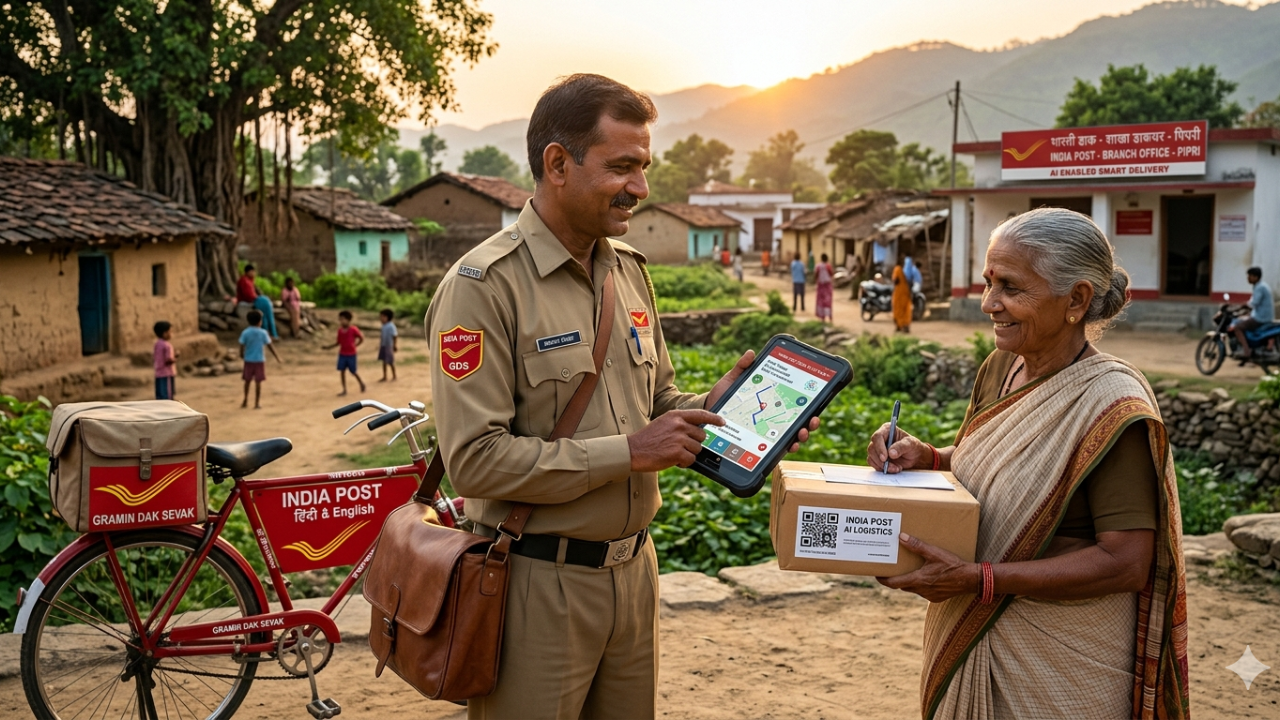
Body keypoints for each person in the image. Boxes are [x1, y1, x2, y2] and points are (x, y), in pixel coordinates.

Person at [424, 73, 819, 720]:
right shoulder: (484, 286)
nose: (640, 187)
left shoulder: (627, 271)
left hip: (635, 575)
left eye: (645, 166)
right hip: (535, 583)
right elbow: (474, 461)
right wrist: (630, 453)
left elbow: (657, 399)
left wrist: (718, 409)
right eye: (623, 167)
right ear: (558, 163)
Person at [866, 208, 1189, 720]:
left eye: (1011, 288)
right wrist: (927, 457)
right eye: (989, 282)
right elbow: (990, 466)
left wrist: (981, 580)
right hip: (975, 630)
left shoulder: (1110, 408)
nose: (989, 304)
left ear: (1077, 300)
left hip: (1062, 664)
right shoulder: (1002, 365)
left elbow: (1127, 563)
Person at [239, 309, 281, 409]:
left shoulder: (245, 332)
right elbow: (270, 346)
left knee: (247, 381)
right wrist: (277, 357)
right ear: (260, 321)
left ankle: (245, 400)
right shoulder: (263, 333)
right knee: (258, 382)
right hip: (259, 360)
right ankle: (257, 403)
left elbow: (241, 345)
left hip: (248, 360)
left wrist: (241, 354)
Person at [1231, 266, 1273, 361]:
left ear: (1256, 277)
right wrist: (1243, 311)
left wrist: (1238, 307)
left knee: (1237, 327)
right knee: (1243, 320)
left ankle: (1246, 351)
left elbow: (1253, 303)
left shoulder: (1260, 287)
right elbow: (1253, 304)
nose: (1248, 278)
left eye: (1250, 276)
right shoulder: (1260, 286)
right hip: (1261, 315)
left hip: (1261, 317)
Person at [325, 310, 366, 396]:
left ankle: (361, 383)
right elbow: (338, 342)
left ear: (348, 320)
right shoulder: (340, 331)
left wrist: (355, 345)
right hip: (342, 354)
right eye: (340, 319)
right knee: (342, 371)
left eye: (343, 319)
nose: (341, 321)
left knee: (353, 371)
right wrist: (329, 347)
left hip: (351, 354)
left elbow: (361, 338)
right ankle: (344, 389)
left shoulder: (353, 329)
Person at [153, 321, 178, 400]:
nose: (171, 334)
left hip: (158, 373)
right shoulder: (167, 346)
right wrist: (176, 357)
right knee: (168, 394)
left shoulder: (157, 344)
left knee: (160, 394)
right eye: (170, 332)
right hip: (167, 373)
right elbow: (168, 360)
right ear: (165, 333)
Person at [377, 308, 398, 382]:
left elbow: (395, 336)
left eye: (382, 317)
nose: (380, 319)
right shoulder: (384, 326)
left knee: (390, 361)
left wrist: (395, 345)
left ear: (386, 317)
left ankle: (394, 375)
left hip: (389, 346)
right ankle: (385, 376)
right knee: (384, 361)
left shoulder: (391, 326)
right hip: (383, 345)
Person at [891, 261, 912, 333]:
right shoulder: (906, 271)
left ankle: (900, 326)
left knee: (898, 310)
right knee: (905, 310)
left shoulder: (897, 269)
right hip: (906, 293)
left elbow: (895, 280)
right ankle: (904, 326)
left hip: (899, 293)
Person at [814, 253, 834, 323]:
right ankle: (829, 317)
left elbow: (816, 275)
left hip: (821, 286)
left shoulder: (818, 266)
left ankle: (822, 317)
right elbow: (831, 273)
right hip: (827, 286)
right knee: (828, 302)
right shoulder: (828, 266)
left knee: (821, 302)